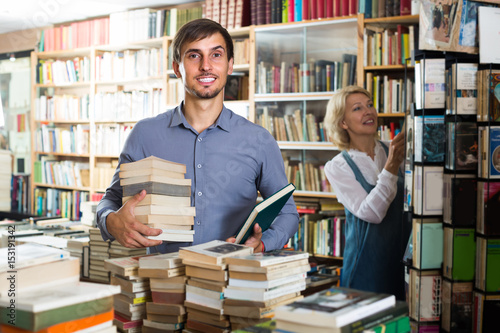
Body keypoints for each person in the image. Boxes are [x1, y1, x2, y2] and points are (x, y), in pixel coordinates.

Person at [96, 18, 299, 254]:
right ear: (177, 68)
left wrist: (263, 244)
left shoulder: (258, 140)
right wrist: (111, 221)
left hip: (233, 278)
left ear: (230, 65)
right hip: (164, 282)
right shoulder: (144, 135)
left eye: (216, 55)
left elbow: (287, 213)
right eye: (194, 55)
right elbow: (111, 200)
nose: (206, 66)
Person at [323, 85, 407, 300]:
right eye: (357, 108)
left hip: (402, 265)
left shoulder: (394, 149)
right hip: (365, 271)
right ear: (343, 122)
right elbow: (372, 213)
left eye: (370, 105)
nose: (369, 111)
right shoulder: (337, 166)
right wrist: (392, 165)